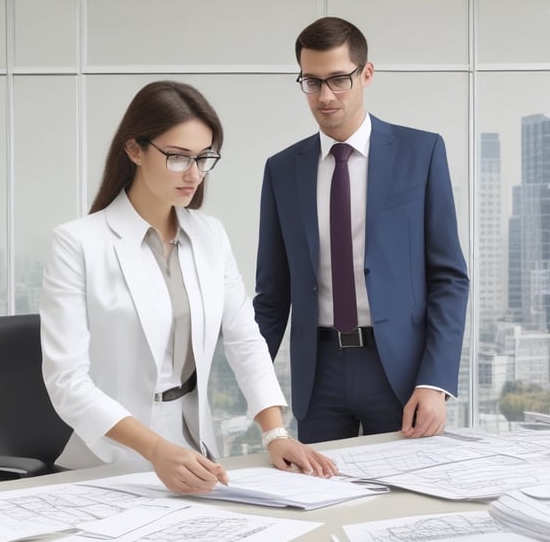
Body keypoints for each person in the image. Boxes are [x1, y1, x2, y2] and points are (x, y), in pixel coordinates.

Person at [40, 81, 336, 495]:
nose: (194, 174)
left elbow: (245, 339)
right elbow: (67, 381)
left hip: (196, 447)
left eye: (204, 157)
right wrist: (157, 451)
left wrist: (276, 434)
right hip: (111, 458)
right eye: (178, 157)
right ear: (135, 150)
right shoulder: (77, 243)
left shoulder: (210, 235)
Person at [254, 17, 469, 444]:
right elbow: (273, 296)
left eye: (338, 79)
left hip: (400, 372)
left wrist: (435, 381)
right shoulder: (282, 170)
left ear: (366, 74)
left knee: (403, 500)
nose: (325, 95)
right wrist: (254, 386)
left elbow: (449, 277)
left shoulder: (420, 153)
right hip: (318, 374)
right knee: (317, 496)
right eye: (312, 82)